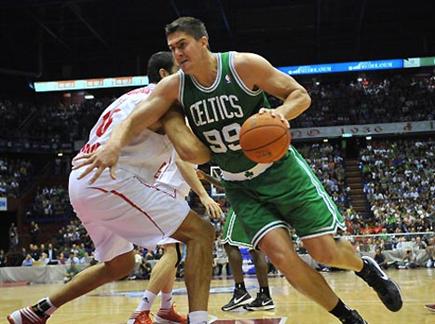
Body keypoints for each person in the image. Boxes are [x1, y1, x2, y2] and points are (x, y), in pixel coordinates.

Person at [75, 17, 402, 324]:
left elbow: (299, 95)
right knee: (284, 260)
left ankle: (366, 268)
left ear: (203, 42)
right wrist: (114, 144)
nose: (178, 52)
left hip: (281, 172)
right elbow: (135, 118)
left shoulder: (243, 65)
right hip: (240, 187)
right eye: (173, 47)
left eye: (183, 44)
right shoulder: (175, 87)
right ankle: (348, 317)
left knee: (324, 251)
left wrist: (280, 116)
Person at [7, 51, 215, 324]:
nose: (189, 72)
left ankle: (36, 311)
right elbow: (190, 153)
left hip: (83, 180)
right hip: (110, 181)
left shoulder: (128, 97)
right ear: (165, 75)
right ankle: (198, 320)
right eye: (181, 67)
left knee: (121, 264)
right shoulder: (164, 101)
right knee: (201, 233)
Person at [129, 144, 222, 324]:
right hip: (167, 189)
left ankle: (165, 308)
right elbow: (181, 162)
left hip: (168, 189)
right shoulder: (187, 129)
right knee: (173, 253)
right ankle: (141, 311)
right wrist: (203, 195)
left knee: (173, 251)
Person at [196, 169, 274, 311]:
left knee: (228, 242)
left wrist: (207, 177)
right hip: (261, 204)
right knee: (256, 248)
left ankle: (240, 292)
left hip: (243, 202)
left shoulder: (235, 159)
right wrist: (207, 177)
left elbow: (225, 184)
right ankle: (265, 296)